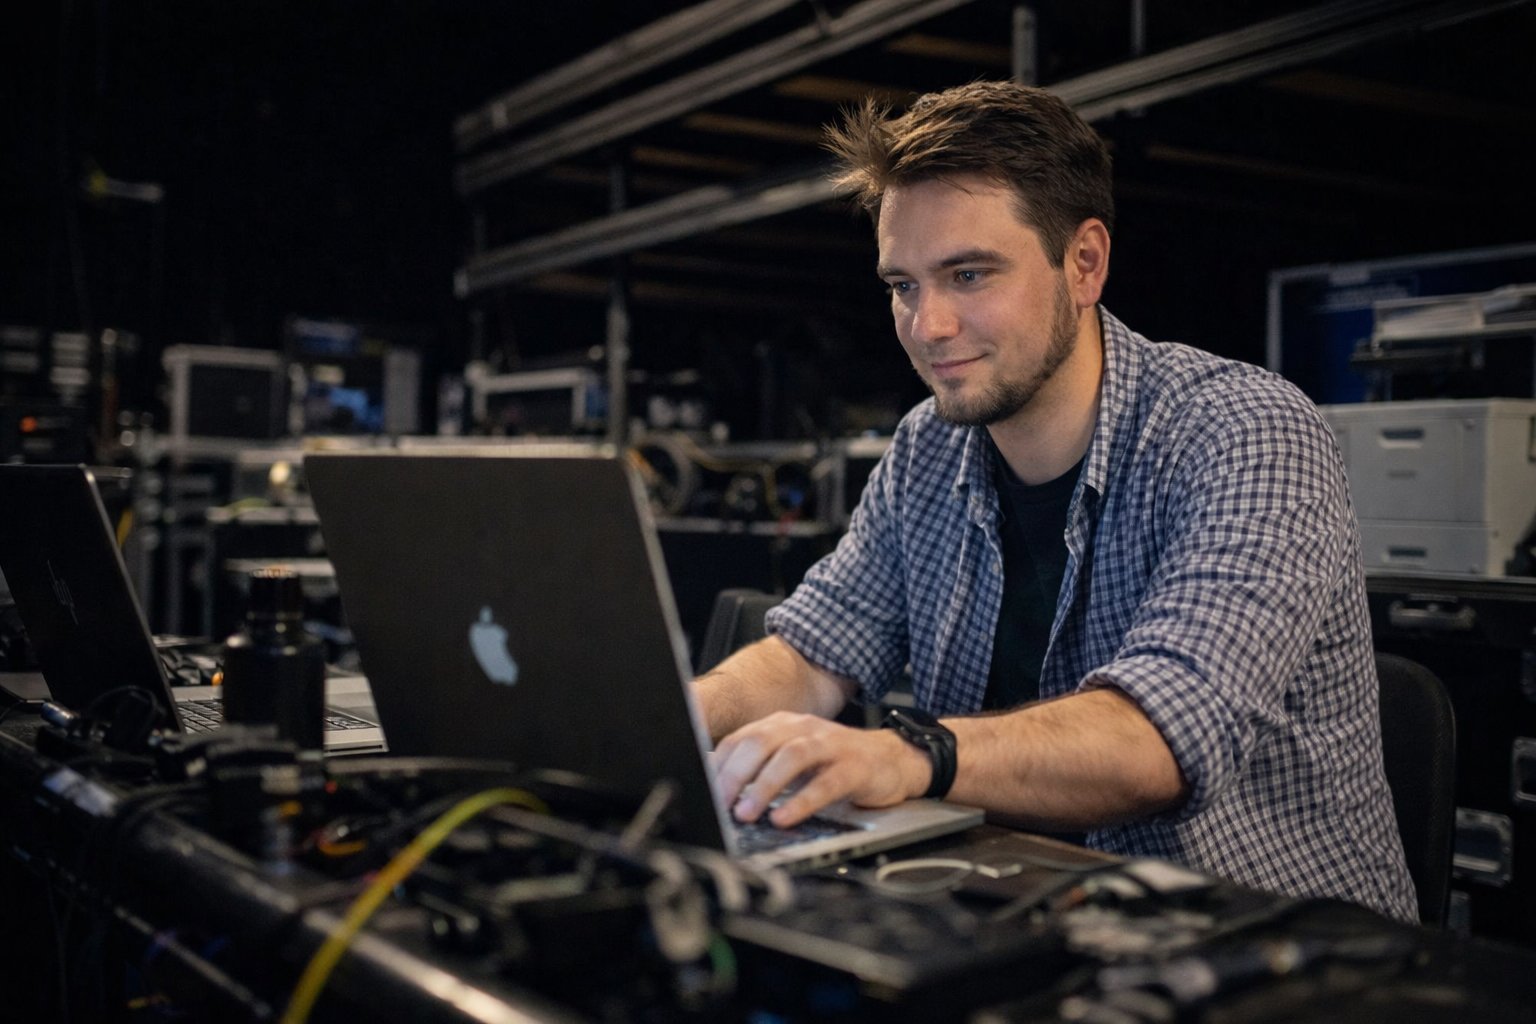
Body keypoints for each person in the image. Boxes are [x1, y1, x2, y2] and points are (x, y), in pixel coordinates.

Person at [692, 81, 1416, 921]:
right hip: (1026, 918)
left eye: (968, 274)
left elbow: (1154, 743)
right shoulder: (928, 449)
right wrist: (659, 721)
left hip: (1274, 954)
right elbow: (812, 655)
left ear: (1084, 263)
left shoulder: (1245, 432)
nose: (927, 326)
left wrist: (911, 753)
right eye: (904, 285)